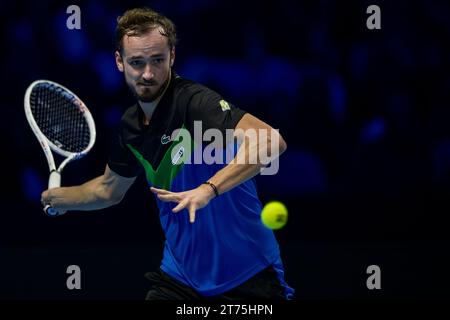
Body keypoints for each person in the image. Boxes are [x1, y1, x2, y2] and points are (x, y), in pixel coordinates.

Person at [41, 7, 294, 300]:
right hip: (179, 279)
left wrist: (209, 189)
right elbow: (107, 190)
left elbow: (270, 140)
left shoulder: (194, 102)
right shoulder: (130, 127)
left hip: (248, 276)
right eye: (137, 62)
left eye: (157, 60)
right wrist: (57, 198)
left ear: (172, 57)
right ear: (120, 62)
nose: (148, 73)